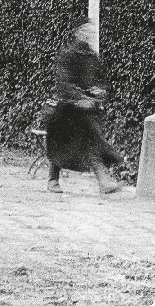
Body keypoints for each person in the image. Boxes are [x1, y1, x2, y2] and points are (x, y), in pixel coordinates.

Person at [44, 17, 122, 195]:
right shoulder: (67, 55)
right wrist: (79, 98)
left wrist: (99, 91)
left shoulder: (93, 57)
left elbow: (101, 81)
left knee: (93, 140)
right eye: (86, 32)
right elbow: (63, 82)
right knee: (60, 144)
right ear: (78, 33)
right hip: (66, 109)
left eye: (91, 32)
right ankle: (53, 179)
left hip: (87, 111)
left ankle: (103, 180)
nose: (89, 35)